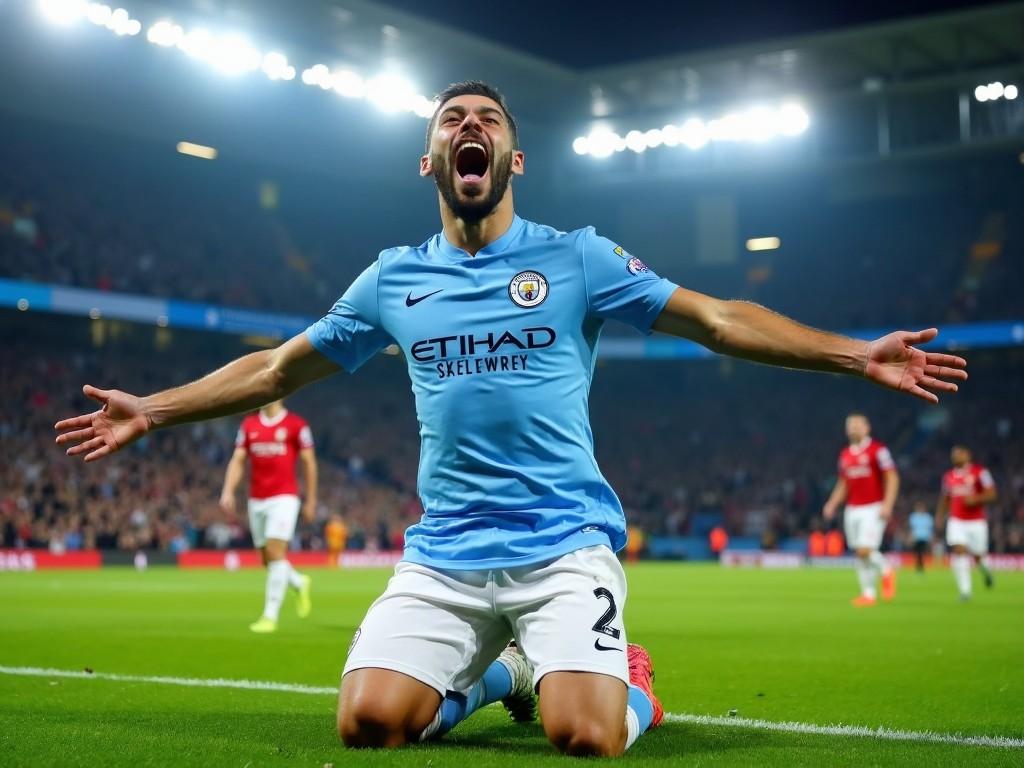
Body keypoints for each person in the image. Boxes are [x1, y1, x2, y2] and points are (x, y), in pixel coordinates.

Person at [55, 81, 967, 757]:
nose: (470, 128)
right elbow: (278, 367)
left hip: (563, 545)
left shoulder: (579, 258)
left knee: (589, 738)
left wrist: (854, 353)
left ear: (513, 160)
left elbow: (720, 319)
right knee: (368, 726)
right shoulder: (391, 278)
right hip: (444, 556)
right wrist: (156, 409)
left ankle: (624, 679)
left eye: (488, 120)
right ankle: (500, 675)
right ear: (430, 161)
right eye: (452, 119)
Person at [219, 399, 316, 632]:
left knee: (275, 552)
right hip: (257, 499)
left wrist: (311, 500)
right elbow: (238, 459)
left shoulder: (296, 425)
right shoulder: (249, 425)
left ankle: (269, 616)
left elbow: (309, 463)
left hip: (284, 497)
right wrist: (228, 489)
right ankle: (298, 581)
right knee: (267, 558)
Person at [822, 413, 900, 606]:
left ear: (867, 428)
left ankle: (887, 569)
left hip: (873, 507)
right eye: (850, 425)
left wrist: (888, 504)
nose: (853, 428)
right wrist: (832, 503)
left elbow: (892, 477)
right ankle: (868, 594)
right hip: (852, 509)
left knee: (865, 550)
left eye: (857, 424)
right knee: (859, 552)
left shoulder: (878, 450)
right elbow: (843, 483)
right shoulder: (845, 454)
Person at [936, 445, 997, 600]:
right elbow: (945, 498)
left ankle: (986, 572)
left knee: (978, 556)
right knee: (959, 550)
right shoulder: (948, 476)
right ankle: (965, 591)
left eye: (959, 454)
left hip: (976, 522)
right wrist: (939, 517)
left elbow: (992, 494)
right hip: (956, 520)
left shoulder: (980, 472)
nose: (955, 457)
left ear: (968, 455)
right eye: (953, 454)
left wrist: (976, 499)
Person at [907, 500, 934, 573]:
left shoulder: (928, 517)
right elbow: (912, 528)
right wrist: (910, 537)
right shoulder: (913, 517)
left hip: (924, 538)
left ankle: (920, 567)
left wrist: (931, 538)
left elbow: (930, 529)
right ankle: (919, 567)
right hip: (916, 538)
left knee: (921, 553)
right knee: (917, 553)